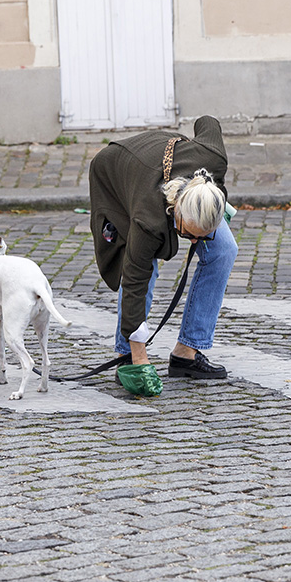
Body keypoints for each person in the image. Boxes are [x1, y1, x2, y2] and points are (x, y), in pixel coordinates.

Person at [88, 115, 238, 387]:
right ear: (175, 212)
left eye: (200, 236)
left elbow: (207, 122)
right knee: (143, 264)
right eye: (189, 234)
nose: (195, 242)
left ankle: (187, 353)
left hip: (168, 161)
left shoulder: (214, 160)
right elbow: (135, 281)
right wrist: (140, 358)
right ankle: (127, 356)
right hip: (116, 174)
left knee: (224, 248)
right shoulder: (150, 220)